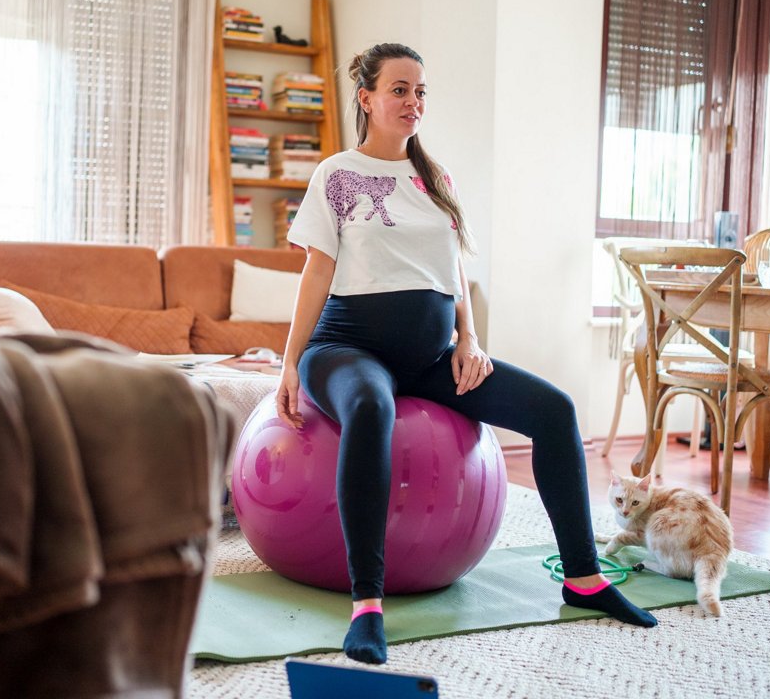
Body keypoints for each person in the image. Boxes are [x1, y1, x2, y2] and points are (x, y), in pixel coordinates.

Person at [278, 43, 657, 666]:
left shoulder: (435, 179)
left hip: (432, 357)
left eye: (420, 91)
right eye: (399, 89)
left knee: (555, 410)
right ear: (367, 98)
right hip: (345, 348)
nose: (413, 102)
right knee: (372, 409)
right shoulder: (337, 174)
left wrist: (470, 340)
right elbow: (316, 274)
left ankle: (584, 578)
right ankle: (367, 605)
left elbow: (451, 271)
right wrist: (291, 362)